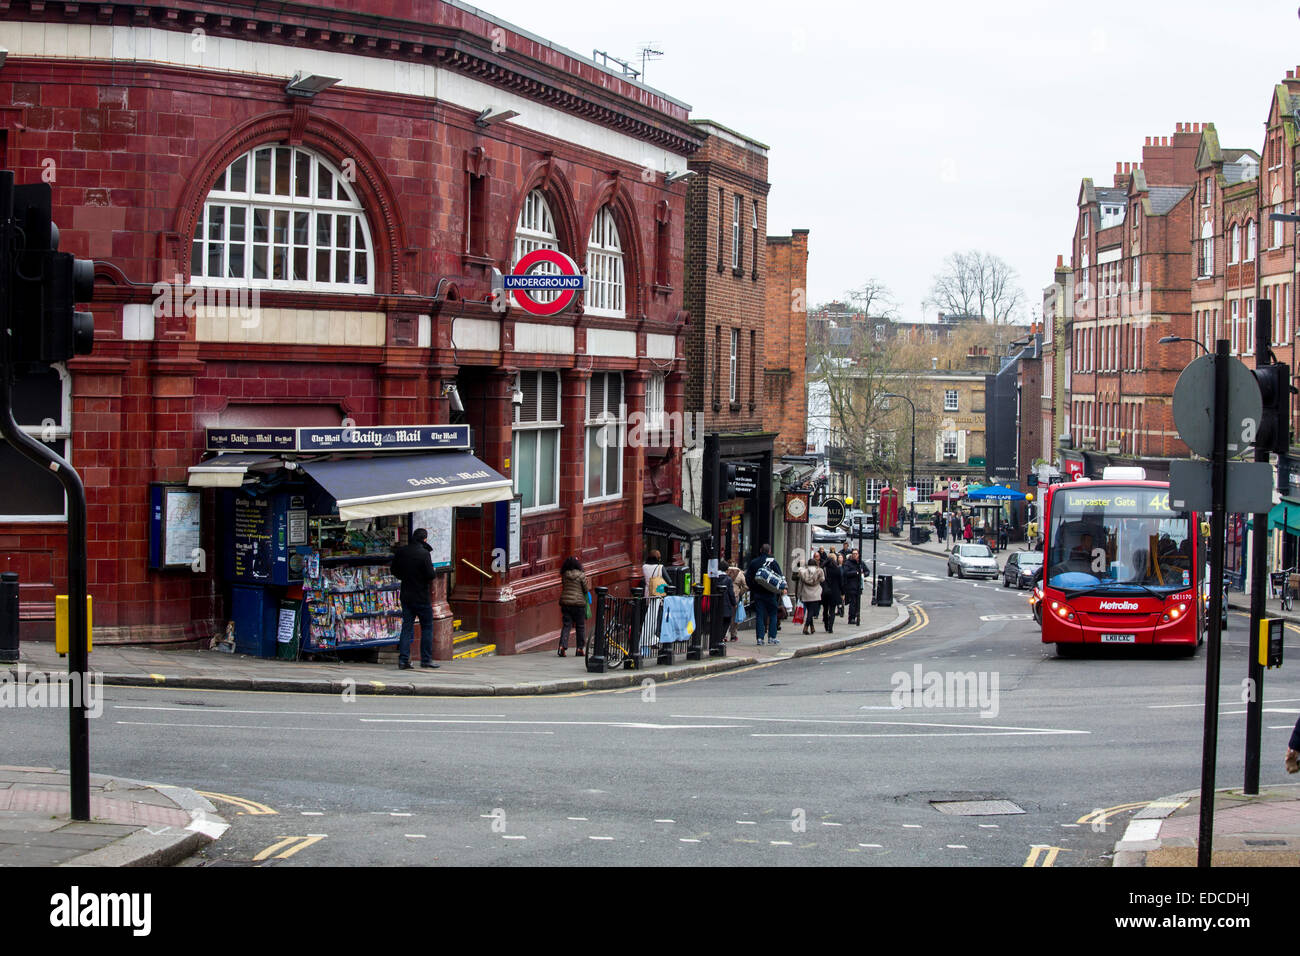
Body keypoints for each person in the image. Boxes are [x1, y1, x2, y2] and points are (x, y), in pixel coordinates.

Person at [391, 528, 439, 670]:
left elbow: (394, 570)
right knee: (427, 627)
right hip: (421, 596)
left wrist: (405, 577)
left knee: (406, 628)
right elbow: (431, 575)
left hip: (406, 595)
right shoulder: (424, 554)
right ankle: (426, 659)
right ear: (424, 539)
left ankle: (403, 660)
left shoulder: (402, 551)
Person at [744, 543, 785, 646]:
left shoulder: (754, 562)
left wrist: (753, 588)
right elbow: (779, 576)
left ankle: (760, 639)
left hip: (758, 593)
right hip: (771, 593)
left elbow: (748, 578)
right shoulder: (773, 562)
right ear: (769, 551)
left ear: (761, 550)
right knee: (773, 614)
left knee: (760, 615)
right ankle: (772, 637)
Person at [557, 556, 588, 658]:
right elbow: (585, 589)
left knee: (567, 625)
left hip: (566, 603)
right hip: (579, 604)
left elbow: (564, 586)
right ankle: (579, 649)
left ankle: (562, 646)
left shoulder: (565, 575)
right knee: (580, 626)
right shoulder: (581, 575)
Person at [794, 557, 824, 636]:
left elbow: (799, 581)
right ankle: (806, 627)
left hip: (805, 593)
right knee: (811, 612)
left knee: (809, 610)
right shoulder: (819, 571)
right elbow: (822, 580)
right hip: (815, 593)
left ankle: (812, 627)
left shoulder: (803, 572)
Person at [820, 549, 843, 633]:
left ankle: (826, 625)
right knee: (832, 610)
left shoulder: (823, 569)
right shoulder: (837, 569)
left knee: (825, 609)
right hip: (835, 592)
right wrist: (842, 592)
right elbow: (841, 582)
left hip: (825, 591)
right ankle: (831, 627)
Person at [724, 560, 748, 642]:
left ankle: (724, 635)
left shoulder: (726, 572)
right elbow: (745, 586)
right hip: (735, 597)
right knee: (734, 617)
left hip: (725, 596)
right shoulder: (740, 573)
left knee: (725, 616)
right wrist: (739, 592)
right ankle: (733, 635)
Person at [843, 549, 864, 625]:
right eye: (853, 553)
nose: (854, 555)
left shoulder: (860, 563)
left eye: (856, 553)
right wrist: (856, 573)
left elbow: (867, 571)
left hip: (859, 586)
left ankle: (856, 616)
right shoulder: (848, 563)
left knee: (857, 603)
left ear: (858, 554)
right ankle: (851, 618)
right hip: (851, 586)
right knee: (853, 603)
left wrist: (864, 573)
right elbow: (845, 573)